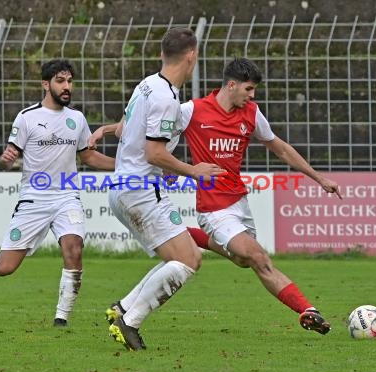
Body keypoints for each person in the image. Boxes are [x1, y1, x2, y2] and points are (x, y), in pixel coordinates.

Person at [91, 58, 341, 336]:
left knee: (244, 260)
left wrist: (319, 178)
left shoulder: (252, 113)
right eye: (248, 89)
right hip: (213, 209)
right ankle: (308, 310)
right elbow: (148, 130)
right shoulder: (192, 111)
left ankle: (187, 237)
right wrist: (109, 130)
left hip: (238, 202)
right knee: (257, 256)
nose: (252, 95)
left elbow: (280, 148)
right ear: (231, 85)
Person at [0, 59, 115, 328]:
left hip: (67, 195)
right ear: (46, 84)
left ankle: (61, 318)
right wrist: (6, 159)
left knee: (74, 249)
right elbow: (7, 158)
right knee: (7, 267)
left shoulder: (77, 119)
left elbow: (88, 157)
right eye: (60, 81)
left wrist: (122, 165)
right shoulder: (27, 117)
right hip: (34, 197)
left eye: (69, 81)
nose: (67, 87)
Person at [101, 27, 224, 351]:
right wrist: (192, 171)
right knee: (189, 259)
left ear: (161, 54)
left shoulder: (147, 85)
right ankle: (130, 321)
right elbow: (154, 152)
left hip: (125, 185)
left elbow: (127, 131)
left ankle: (124, 308)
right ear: (191, 56)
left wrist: (162, 166)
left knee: (177, 257)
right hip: (141, 190)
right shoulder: (166, 98)